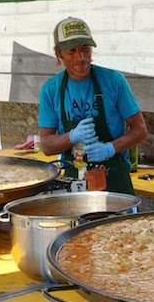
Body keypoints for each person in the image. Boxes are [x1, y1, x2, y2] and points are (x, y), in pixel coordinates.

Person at [37, 17, 147, 194]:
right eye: (71, 51)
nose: (80, 57)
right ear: (59, 53)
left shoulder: (113, 81)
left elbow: (140, 130)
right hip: (74, 185)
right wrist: (72, 136)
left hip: (115, 182)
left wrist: (110, 148)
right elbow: (47, 146)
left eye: (85, 49)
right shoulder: (51, 90)